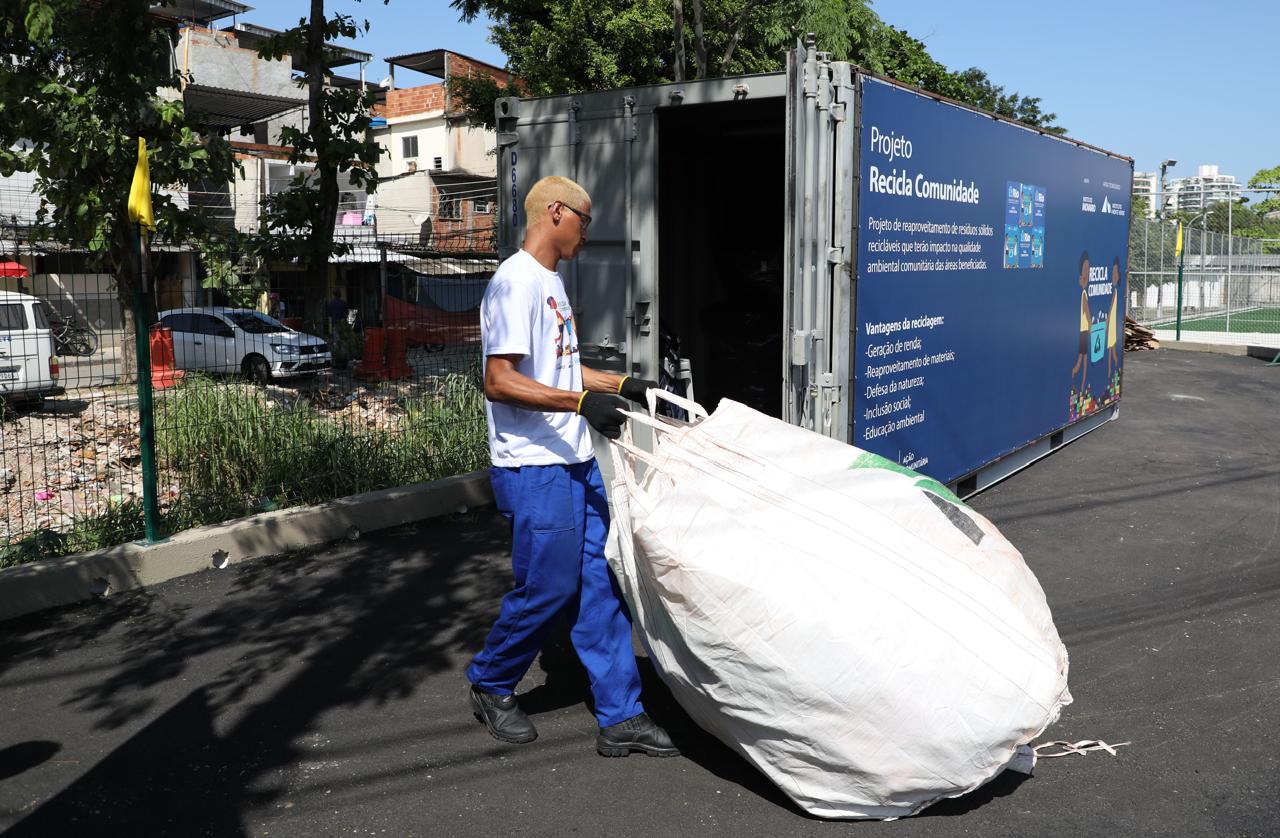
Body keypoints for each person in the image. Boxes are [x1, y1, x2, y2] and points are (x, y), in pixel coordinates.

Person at [466, 175, 677, 758]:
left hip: (574, 459)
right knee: (550, 587)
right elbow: (499, 380)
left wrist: (625, 384)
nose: (589, 232)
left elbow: (561, 372)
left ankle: (621, 715)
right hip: (534, 466)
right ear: (555, 212)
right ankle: (490, 679)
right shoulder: (515, 282)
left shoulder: (551, 283)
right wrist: (583, 403)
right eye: (584, 219)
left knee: (599, 586)